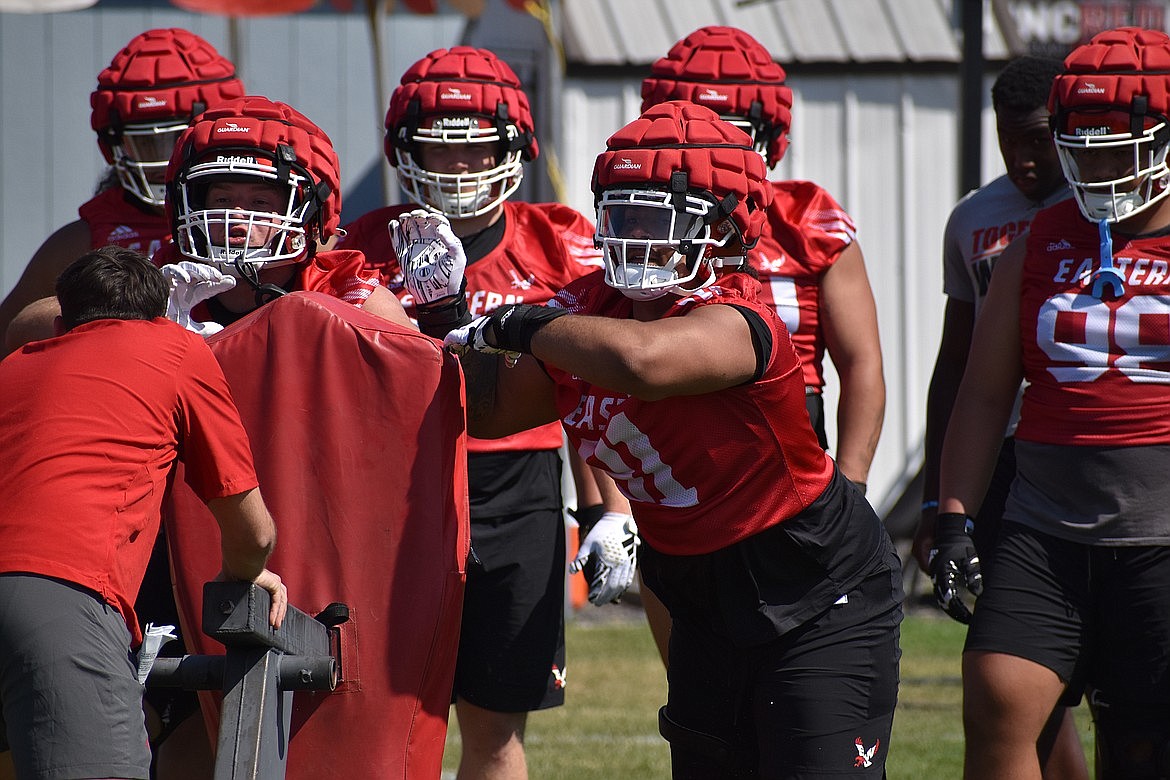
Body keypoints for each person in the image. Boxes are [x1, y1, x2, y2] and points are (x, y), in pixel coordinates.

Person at [400, 99, 903, 778]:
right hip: (698, 592)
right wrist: (445, 317)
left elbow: (646, 363)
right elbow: (487, 411)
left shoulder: (742, 316)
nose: (635, 233)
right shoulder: (586, 309)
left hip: (813, 587)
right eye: (624, 213)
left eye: (659, 217)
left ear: (724, 229)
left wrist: (519, 323)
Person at [338, 46, 629, 779]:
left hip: (519, 491)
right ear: (405, 149)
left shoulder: (559, 240)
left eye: (476, 151)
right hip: (393, 495)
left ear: (514, 150)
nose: (459, 169)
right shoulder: (362, 248)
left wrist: (607, 510)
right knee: (382, 724)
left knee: (497, 732)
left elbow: (590, 396)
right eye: (440, 147)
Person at [932, 26, 1170, 779]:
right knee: (999, 697)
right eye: (1085, 145)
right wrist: (954, 515)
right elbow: (983, 390)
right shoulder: (1041, 238)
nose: (1098, 167)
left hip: (1162, 530)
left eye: (1116, 145)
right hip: (1044, 523)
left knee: (1143, 743)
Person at [635, 23, 887, 668]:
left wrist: (852, 486)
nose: (715, 143)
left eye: (737, 130)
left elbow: (860, 362)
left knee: (795, 654)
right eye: (690, 121)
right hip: (678, 440)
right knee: (695, 669)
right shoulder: (637, 224)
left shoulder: (806, 219)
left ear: (771, 139)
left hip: (787, 438)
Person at [0, 245, 286, 780]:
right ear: (159, 317)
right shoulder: (175, 349)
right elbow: (252, 528)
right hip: (58, 592)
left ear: (62, 322)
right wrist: (247, 570)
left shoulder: (15, 363)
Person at [913, 56, 1087, 779]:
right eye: (1009, 137)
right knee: (1010, 669)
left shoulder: (1110, 212)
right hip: (999, 458)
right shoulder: (974, 220)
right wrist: (936, 500)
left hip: (1084, 450)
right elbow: (954, 368)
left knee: (1104, 682)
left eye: (1041, 138)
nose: (1025, 156)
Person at [0, 28, 245, 354]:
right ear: (114, 144)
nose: (162, 161)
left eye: (175, 141)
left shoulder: (266, 221)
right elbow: (12, 338)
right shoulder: (78, 242)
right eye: (144, 143)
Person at [156, 94, 411, 331]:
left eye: (260, 202)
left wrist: (442, 311)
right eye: (222, 199)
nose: (236, 215)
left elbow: (421, 375)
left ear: (310, 212)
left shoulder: (352, 299)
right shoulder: (156, 289)